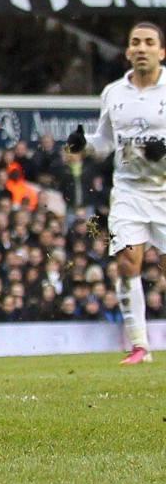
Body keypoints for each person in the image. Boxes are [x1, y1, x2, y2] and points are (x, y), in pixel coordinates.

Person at [66, 21, 165, 365]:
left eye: (149, 42)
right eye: (135, 42)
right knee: (127, 261)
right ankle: (139, 345)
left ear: (161, 52)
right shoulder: (113, 92)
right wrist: (85, 146)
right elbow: (105, 142)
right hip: (128, 189)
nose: (141, 47)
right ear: (127, 51)